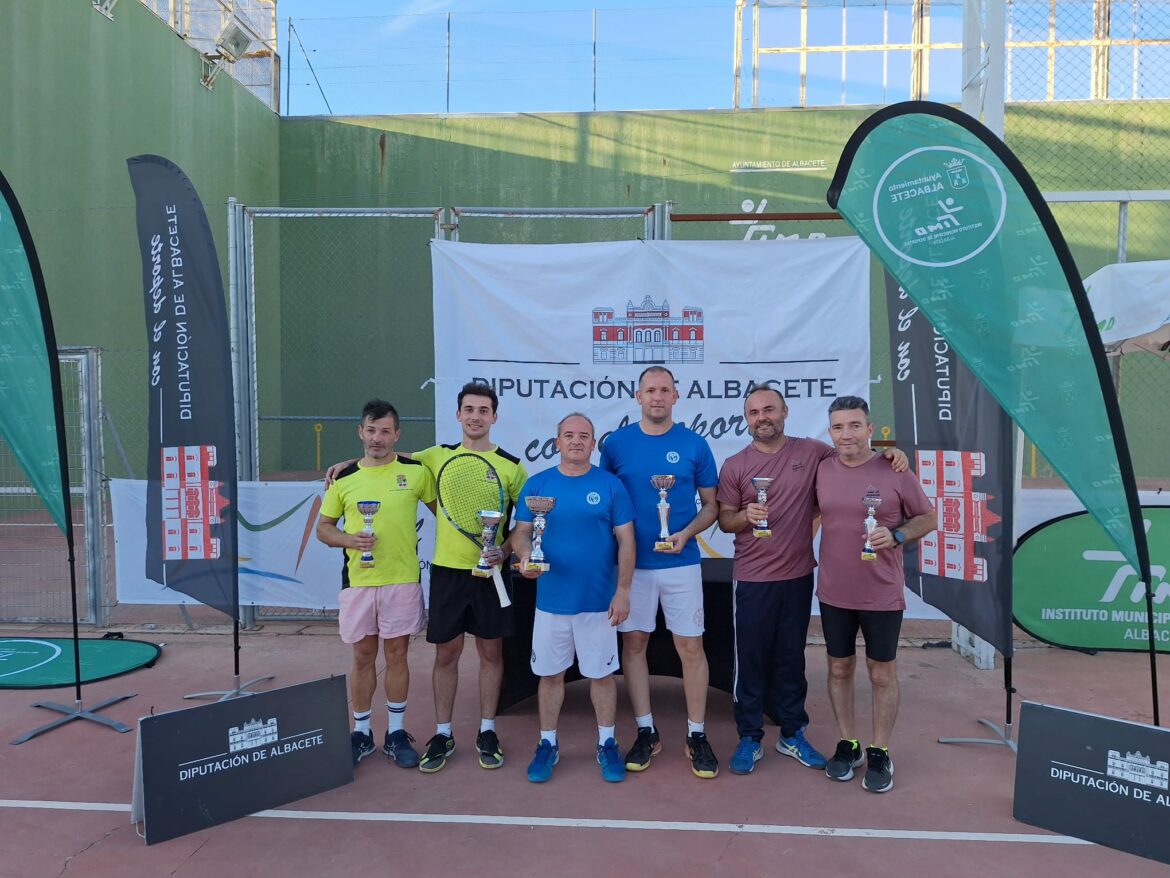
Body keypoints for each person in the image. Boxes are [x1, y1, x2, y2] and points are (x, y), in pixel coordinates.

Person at [326, 382, 528, 774]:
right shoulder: (434, 457)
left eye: (483, 411)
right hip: (448, 572)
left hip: (491, 573)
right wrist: (347, 464)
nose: (475, 416)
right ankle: (442, 732)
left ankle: (487, 730)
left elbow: (522, 524)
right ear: (458, 415)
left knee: (491, 654)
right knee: (446, 654)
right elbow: (384, 458)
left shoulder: (512, 466)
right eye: (468, 409)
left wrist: (503, 551)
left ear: (494, 417)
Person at [717, 386, 907, 776]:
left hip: (800, 576)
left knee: (791, 660)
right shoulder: (735, 465)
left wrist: (892, 451)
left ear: (785, 412)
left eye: (769, 409)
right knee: (750, 660)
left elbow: (857, 455)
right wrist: (745, 517)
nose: (762, 417)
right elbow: (724, 520)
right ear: (746, 419)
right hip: (752, 578)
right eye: (754, 412)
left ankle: (792, 733)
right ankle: (750, 737)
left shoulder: (814, 453)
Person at [599, 366, 721, 778]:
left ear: (676, 396)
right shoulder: (616, 445)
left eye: (664, 390)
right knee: (633, 645)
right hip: (633, 568)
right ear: (637, 396)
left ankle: (697, 734)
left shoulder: (694, 444)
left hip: (681, 563)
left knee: (691, 648)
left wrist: (685, 534)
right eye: (650, 389)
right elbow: (607, 505)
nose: (657, 396)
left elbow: (712, 505)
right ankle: (646, 730)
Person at [814, 395, 936, 793]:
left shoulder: (894, 470)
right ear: (829, 431)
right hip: (833, 591)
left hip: (881, 593)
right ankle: (849, 744)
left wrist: (898, 534)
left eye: (854, 426)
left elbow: (929, 518)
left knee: (881, 672)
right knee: (838, 669)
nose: (846, 433)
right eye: (838, 426)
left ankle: (880, 750)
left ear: (870, 430)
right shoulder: (822, 467)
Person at [512, 413, 635, 784]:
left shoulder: (611, 485)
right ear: (557, 442)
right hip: (551, 603)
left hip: (598, 603)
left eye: (584, 436)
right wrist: (523, 558)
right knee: (550, 677)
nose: (576, 441)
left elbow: (627, 540)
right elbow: (520, 533)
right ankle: (547, 744)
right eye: (569, 435)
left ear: (594, 443)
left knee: (602, 677)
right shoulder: (538, 484)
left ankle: (607, 743)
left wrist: (624, 590)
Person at [317, 399, 436, 768]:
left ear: (396, 435)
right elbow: (323, 528)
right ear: (361, 432)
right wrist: (350, 540)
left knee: (397, 656)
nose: (377, 438)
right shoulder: (344, 479)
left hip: (402, 580)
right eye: (371, 430)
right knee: (363, 657)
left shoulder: (416, 473)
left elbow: (442, 515)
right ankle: (362, 732)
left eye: (385, 431)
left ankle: (396, 733)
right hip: (359, 582)